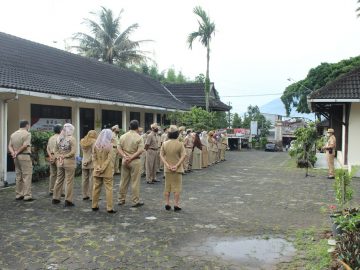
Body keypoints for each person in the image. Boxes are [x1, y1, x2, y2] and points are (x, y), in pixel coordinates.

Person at [117, 120, 145, 207]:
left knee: (123, 181)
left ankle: (121, 199)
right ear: (137, 127)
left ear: (130, 126)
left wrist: (125, 156)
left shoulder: (123, 136)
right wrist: (132, 157)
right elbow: (140, 150)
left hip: (125, 160)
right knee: (135, 181)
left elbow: (118, 148)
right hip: (135, 161)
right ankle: (135, 200)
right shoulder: (139, 137)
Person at [160, 125, 186, 211]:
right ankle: (176, 204)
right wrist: (177, 165)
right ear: (177, 134)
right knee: (177, 188)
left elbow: (161, 155)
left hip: (167, 169)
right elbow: (183, 155)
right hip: (177, 169)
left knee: (167, 187)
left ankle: (167, 203)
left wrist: (167, 164)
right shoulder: (180, 144)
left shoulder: (164, 143)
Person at [92, 129, 116, 213]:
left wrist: (97, 166)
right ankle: (109, 207)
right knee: (109, 189)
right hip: (107, 170)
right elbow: (109, 159)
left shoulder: (96, 145)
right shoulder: (110, 145)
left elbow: (94, 157)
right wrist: (102, 168)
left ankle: (94, 205)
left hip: (97, 170)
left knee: (96, 188)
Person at [8, 120, 34, 201]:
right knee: (27, 175)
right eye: (28, 125)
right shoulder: (27, 133)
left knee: (18, 176)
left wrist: (13, 153)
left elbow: (9, 146)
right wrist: (17, 152)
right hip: (24, 156)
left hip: (16, 157)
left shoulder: (13, 134)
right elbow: (25, 145)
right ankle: (27, 195)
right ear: (27, 125)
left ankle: (19, 194)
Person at [52, 123, 76, 207]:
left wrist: (59, 157)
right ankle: (68, 200)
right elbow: (73, 152)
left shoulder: (59, 138)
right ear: (71, 130)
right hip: (69, 162)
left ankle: (55, 198)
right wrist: (65, 156)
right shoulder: (72, 139)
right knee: (69, 181)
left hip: (60, 162)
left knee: (59, 179)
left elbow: (54, 150)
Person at [80, 130, 97, 200]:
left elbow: (82, 152)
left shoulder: (82, 140)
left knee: (84, 179)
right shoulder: (94, 141)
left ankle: (84, 195)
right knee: (92, 179)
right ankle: (92, 196)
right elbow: (93, 153)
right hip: (91, 162)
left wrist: (85, 161)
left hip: (83, 161)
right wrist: (88, 161)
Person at [46, 124, 62, 196]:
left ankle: (51, 190)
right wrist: (55, 157)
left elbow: (48, 148)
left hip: (51, 157)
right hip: (58, 158)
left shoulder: (51, 138)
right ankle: (60, 191)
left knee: (52, 175)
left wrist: (51, 157)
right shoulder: (60, 138)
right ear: (60, 130)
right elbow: (59, 149)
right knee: (60, 175)